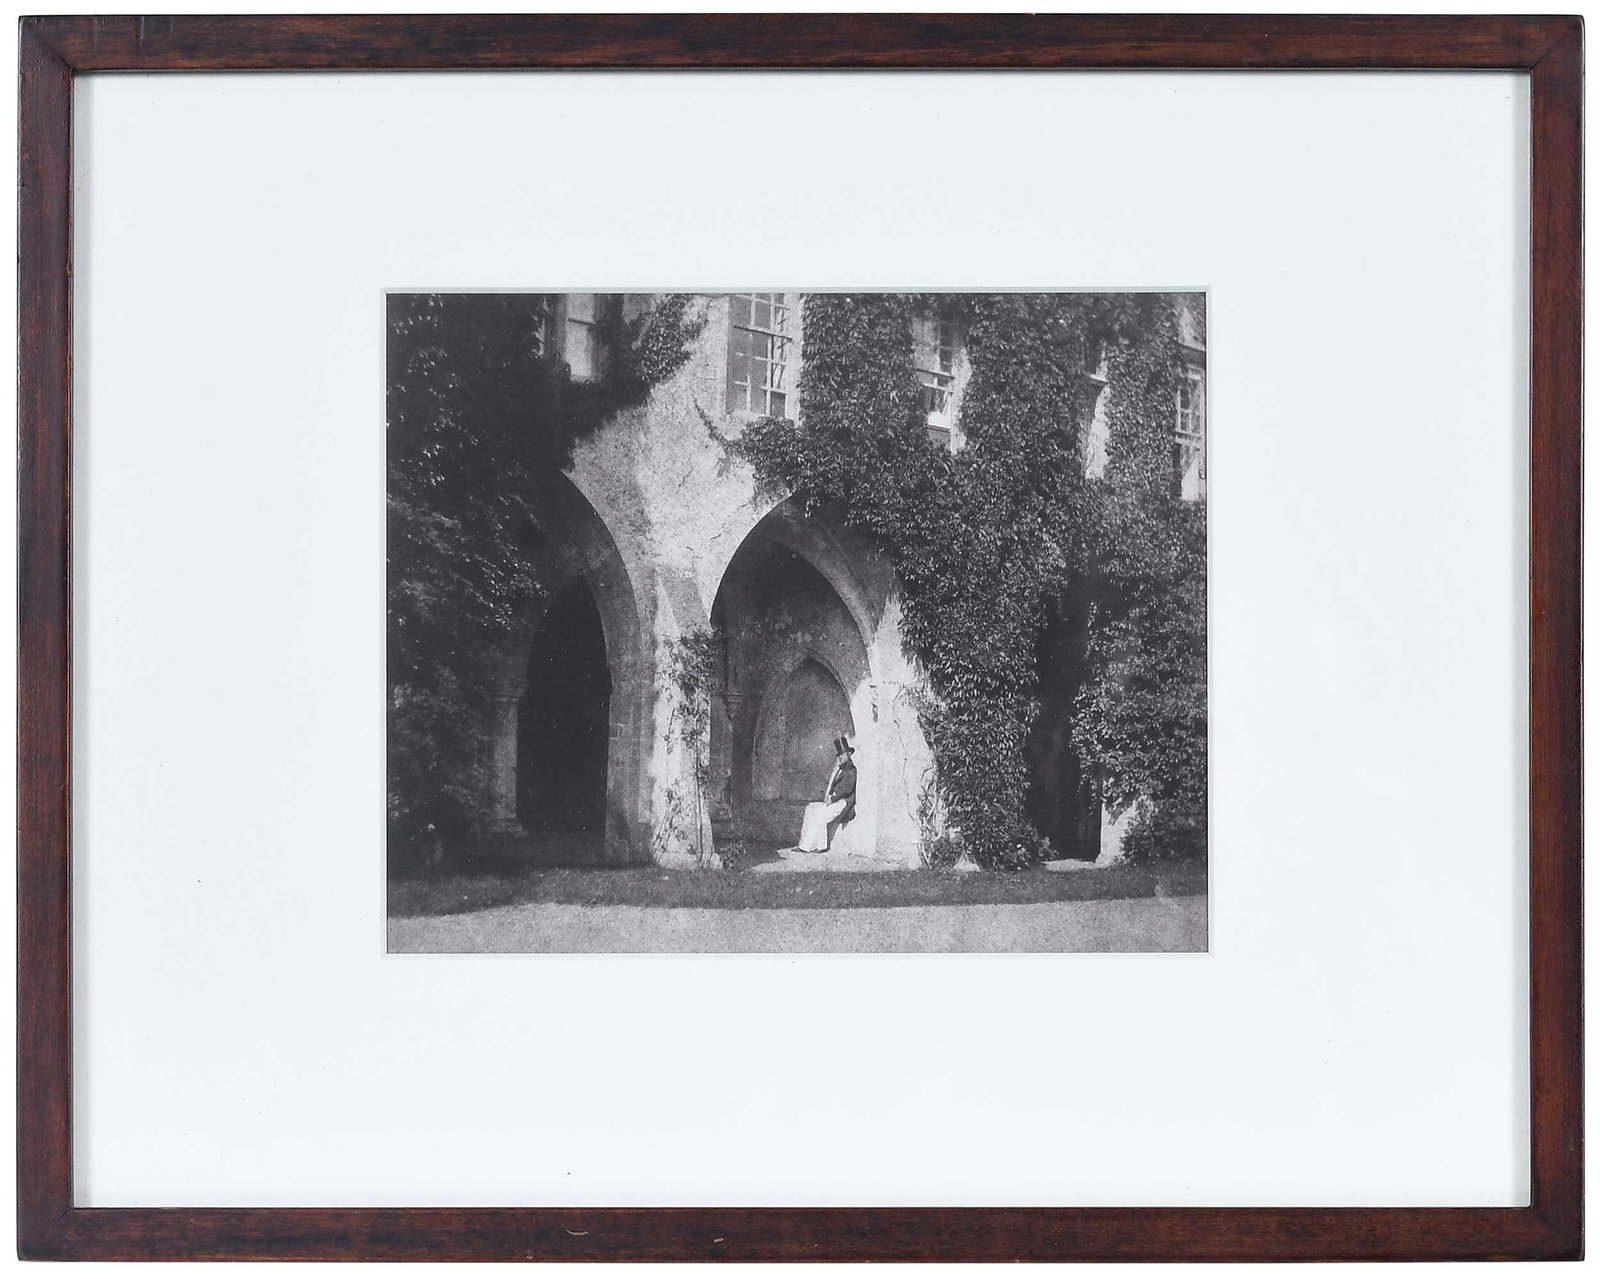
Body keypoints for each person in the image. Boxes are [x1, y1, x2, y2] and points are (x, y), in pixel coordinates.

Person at [797, 737, 857, 853]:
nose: (840, 757)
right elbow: (835, 787)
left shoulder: (851, 770)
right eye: (839, 755)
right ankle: (806, 846)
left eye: (843, 754)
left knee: (820, 818)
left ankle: (818, 847)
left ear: (849, 754)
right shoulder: (842, 769)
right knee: (816, 815)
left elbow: (847, 790)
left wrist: (833, 798)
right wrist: (830, 797)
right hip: (837, 801)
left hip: (844, 802)